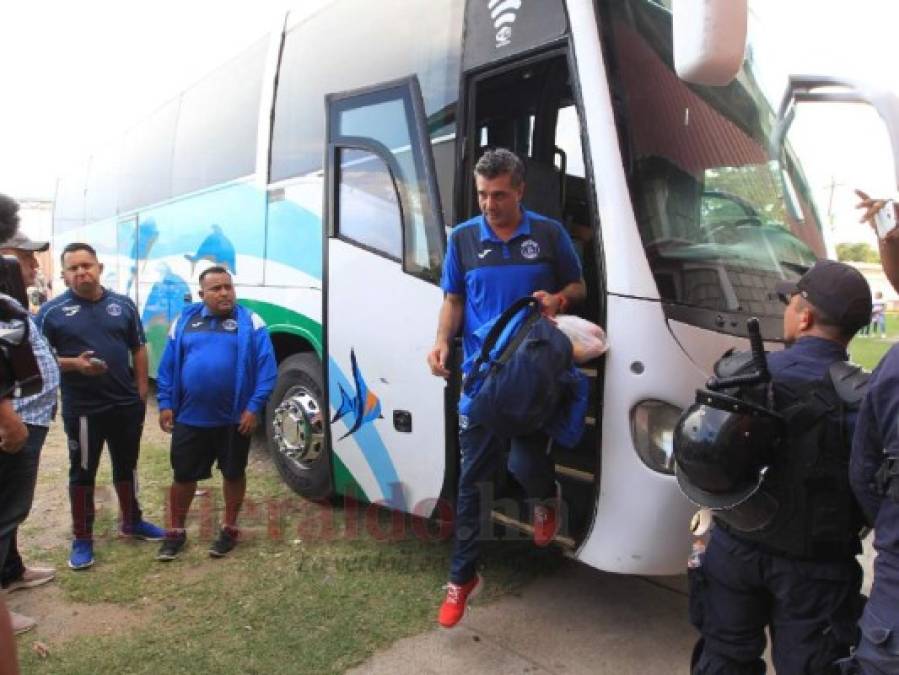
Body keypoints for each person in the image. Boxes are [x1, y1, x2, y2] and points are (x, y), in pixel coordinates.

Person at [679, 260, 872, 674]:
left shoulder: (740, 371)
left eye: (791, 301)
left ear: (804, 317)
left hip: (734, 549)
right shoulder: (866, 400)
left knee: (724, 659)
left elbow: (696, 453)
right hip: (818, 570)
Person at [426, 148, 586, 629]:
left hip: (532, 373)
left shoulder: (549, 233)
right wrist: (440, 342)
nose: (489, 205)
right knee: (473, 481)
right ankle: (462, 577)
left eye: (498, 195)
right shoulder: (464, 239)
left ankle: (545, 499)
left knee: (525, 462)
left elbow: (577, 285)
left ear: (519, 191)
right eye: (482, 195)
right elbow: (454, 299)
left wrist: (557, 298)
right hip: (481, 379)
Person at [36, 243, 164, 570]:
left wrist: (139, 393)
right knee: (83, 472)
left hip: (124, 406)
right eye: (73, 268)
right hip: (83, 410)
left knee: (127, 466)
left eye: (87, 265)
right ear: (64, 275)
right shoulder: (51, 312)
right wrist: (74, 364)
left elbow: (138, 349)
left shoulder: (122, 306)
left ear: (99, 267)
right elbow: (37, 360)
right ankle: (82, 538)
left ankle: (132, 521)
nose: (82, 272)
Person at [155, 266, 276, 561]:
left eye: (228, 286)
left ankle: (229, 529)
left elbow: (267, 369)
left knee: (233, 473)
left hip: (234, 420)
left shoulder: (250, 321)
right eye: (216, 288)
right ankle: (175, 533)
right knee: (183, 476)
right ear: (202, 294)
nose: (224, 293)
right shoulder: (185, 320)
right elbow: (168, 366)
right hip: (190, 418)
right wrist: (165, 402)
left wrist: (253, 407)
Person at [0, 243, 59, 634]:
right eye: (26, 259)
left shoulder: (10, 302)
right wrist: (9, 419)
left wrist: (66, 364)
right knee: (7, 511)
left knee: (11, 510)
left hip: (29, 418)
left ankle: (12, 570)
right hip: (18, 422)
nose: (34, 265)